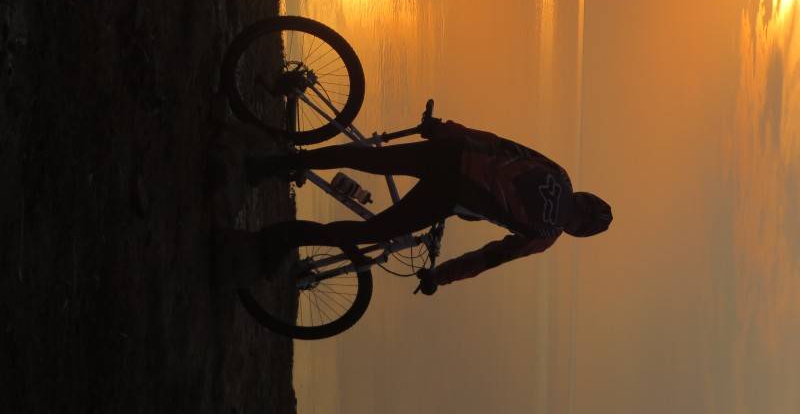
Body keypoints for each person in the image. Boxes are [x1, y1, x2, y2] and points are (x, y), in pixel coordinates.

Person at [245, 118, 612, 295]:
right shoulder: (544, 236)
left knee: (370, 161)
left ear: (583, 197)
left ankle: (276, 163)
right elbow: (488, 258)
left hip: (450, 155)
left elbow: (500, 145)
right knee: (374, 233)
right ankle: (284, 236)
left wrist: (446, 129)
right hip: (449, 193)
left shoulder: (560, 174)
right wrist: (440, 276)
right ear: (578, 231)